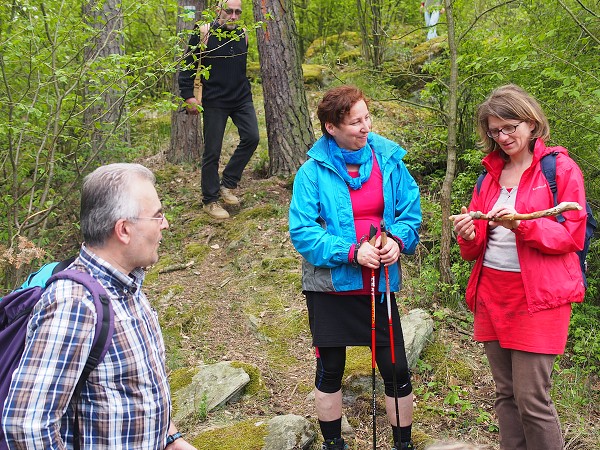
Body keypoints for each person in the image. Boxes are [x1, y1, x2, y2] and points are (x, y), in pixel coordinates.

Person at [3, 163, 196, 450]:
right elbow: (25, 425)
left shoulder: (128, 286)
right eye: (157, 215)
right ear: (124, 230)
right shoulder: (74, 304)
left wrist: (170, 439)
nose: (165, 223)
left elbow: (135, 390)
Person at [452, 84, 587, 450]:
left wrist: (522, 223)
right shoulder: (489, 175)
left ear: (530, 122)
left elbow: (571, 236)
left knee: (532, 400)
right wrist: (467, 233)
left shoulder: (558, 168)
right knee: (506, 394)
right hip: (492, 293)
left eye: (510, 126)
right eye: (496, 130)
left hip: (540, 297)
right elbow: (474, 248)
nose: (504, 136)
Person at [289, 85, 422, 450]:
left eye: (367, 118)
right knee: (331, 368)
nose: (366, 127)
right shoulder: (312, 172)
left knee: (395, 369)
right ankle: (335, 444)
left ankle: (402, 445)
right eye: (355, 122)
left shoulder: (389, 159)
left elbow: (411, 209)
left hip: (379, 283)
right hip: (330, 286)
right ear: (331, 127)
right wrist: (350, 252)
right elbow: (302, 231)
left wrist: (396, 239)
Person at [178, 0, 259, 220]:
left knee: (252, 137)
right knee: (212, 151)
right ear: (218, 11)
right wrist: (188, 96)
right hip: (214, 101)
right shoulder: (203, 32)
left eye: (237, 12)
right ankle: (210, 200)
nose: (233, 16)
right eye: (229, 11)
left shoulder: (243, 34)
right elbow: (187, 66)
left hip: (241, 98)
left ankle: (228, 184)